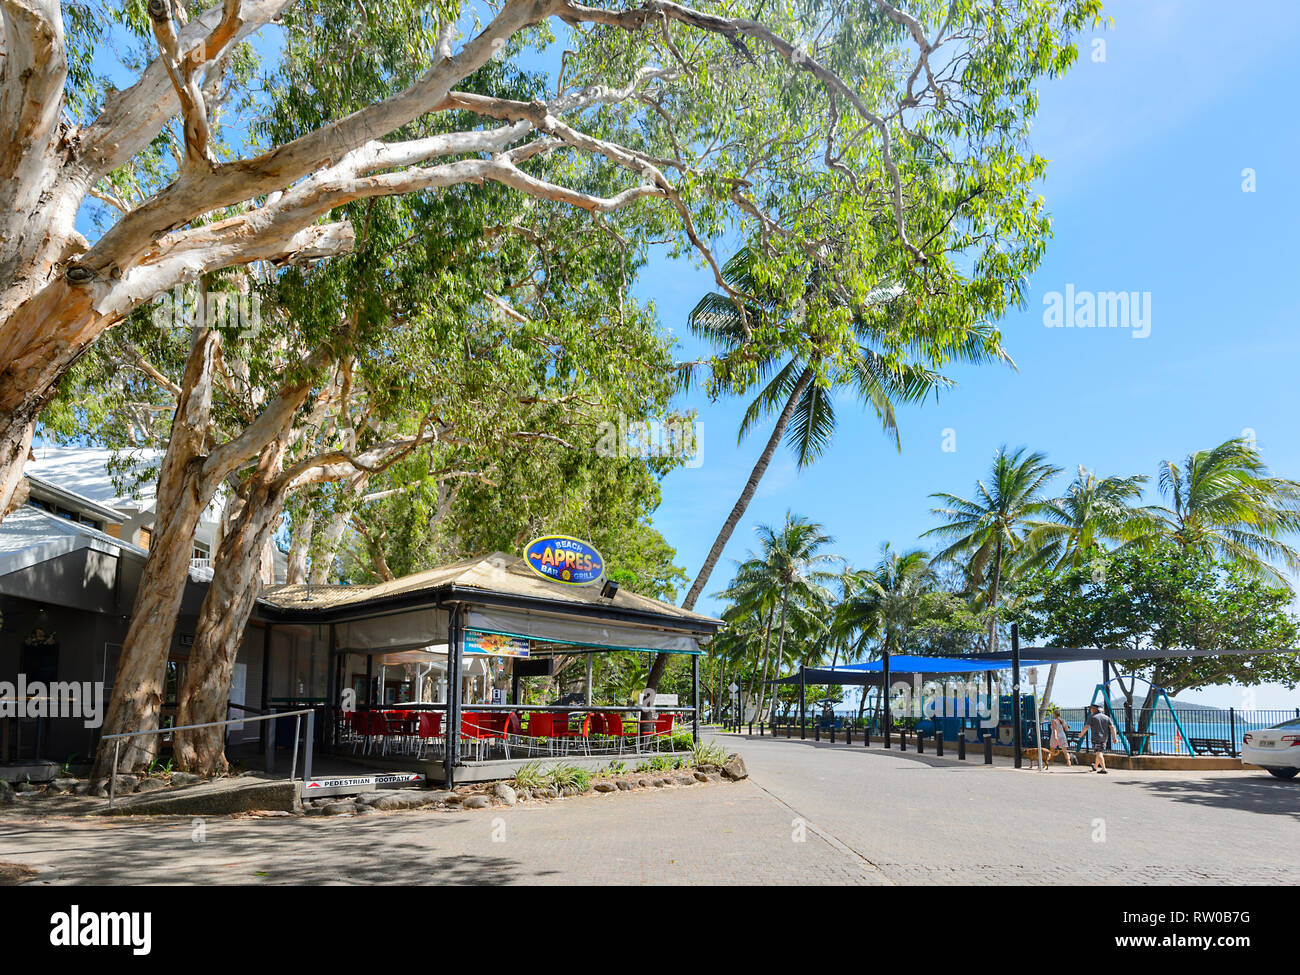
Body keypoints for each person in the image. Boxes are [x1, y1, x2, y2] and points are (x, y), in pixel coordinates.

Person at [1085, 703, 1116, 773]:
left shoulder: (1092, 717)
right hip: (1104, 738)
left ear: (1094, 709)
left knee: (1098, 752)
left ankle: (1104, 769)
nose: (1090, 710)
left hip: (1096, 738)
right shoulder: (1106, 717)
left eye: (1091, 708)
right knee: (1099, 752)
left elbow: (1086, 727)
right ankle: (1095, 767)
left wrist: (1081, 734)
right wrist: (1114, 737)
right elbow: (1113, 728)